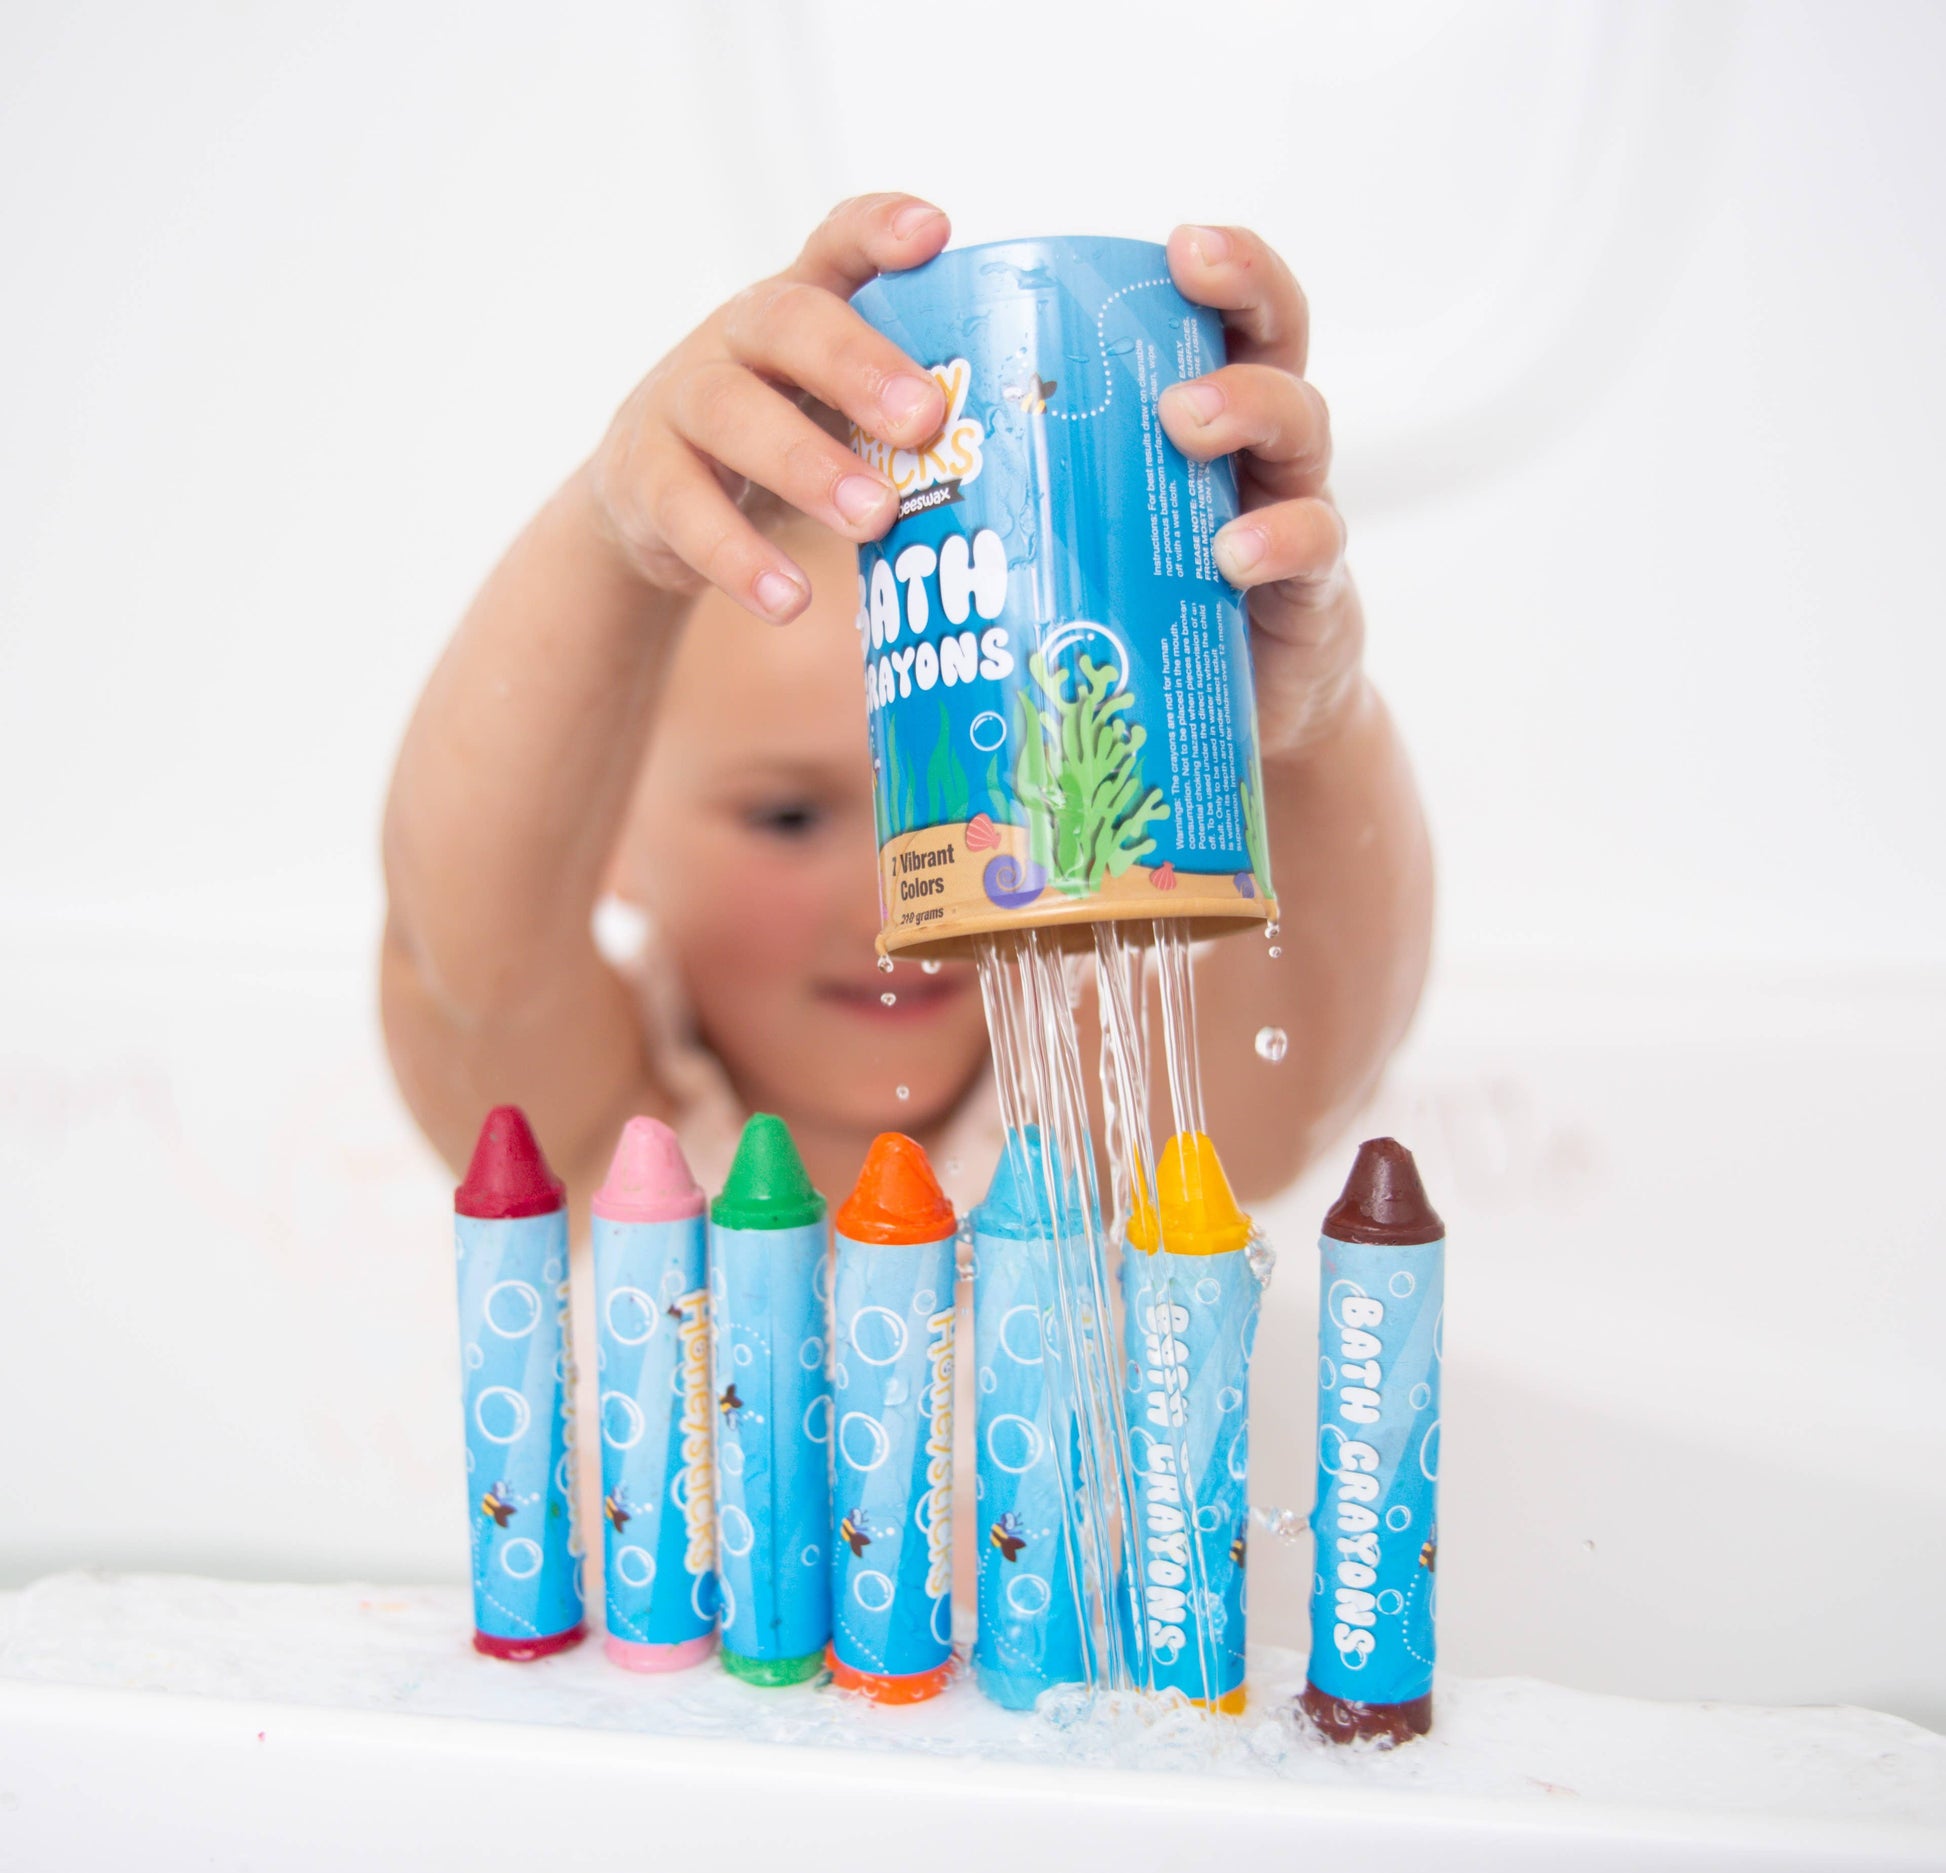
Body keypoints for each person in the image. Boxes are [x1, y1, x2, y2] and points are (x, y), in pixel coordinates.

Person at [380, 193, 1433, 1217]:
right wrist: (612, 536)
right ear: (605, 826)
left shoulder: (1103, 1122)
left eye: (981, 789)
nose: (890, 909)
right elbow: (467, 954)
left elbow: (1325, 1030)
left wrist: (1302, 728)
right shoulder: (602, 1140)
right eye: (787, 817)